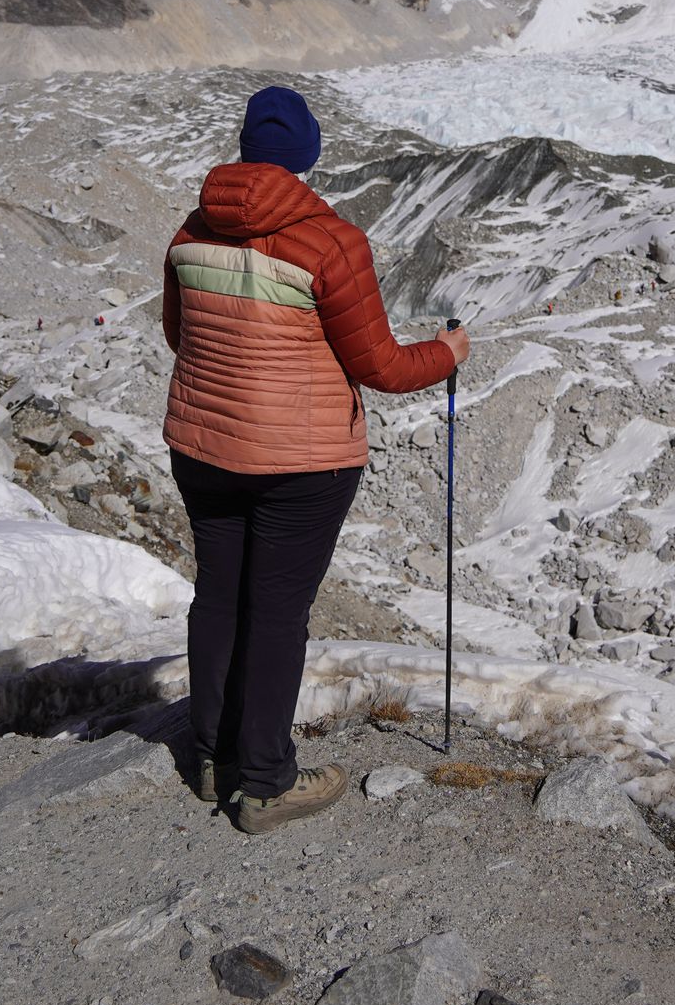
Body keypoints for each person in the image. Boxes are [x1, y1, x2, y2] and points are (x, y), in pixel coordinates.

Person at [161, 85, 470, 834]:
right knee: (276, 615)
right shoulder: (330, 241)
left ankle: (212, 759)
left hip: (202, 448)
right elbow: (384, 367)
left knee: (219, 598)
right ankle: (266, 783)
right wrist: (450, 352)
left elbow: (179, 336)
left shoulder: (189, 230)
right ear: (307, 155)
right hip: (301, 464)